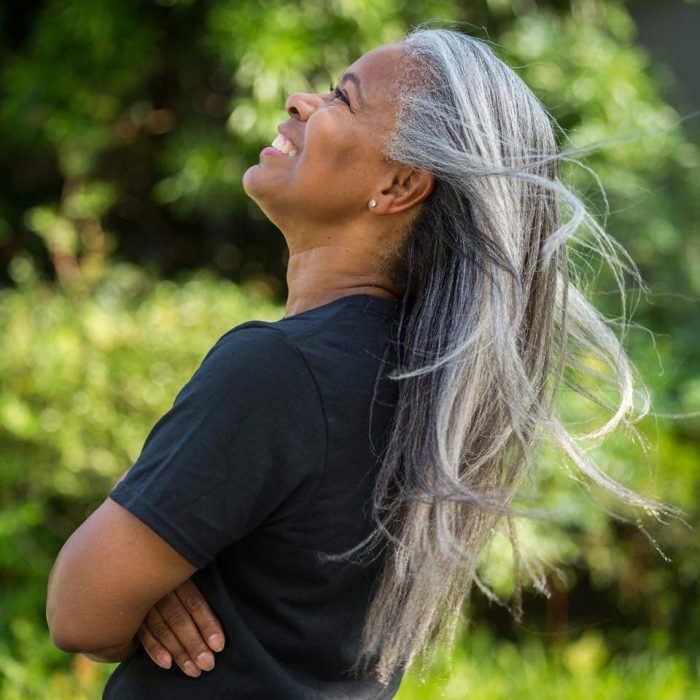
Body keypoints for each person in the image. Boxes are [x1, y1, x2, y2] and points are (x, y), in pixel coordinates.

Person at [45, 25, 681, 699]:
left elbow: (79, 611)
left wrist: (145, 591)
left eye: (341, 100)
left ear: (400, 185)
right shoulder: (426, 394)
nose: (298, 103)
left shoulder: (279, 371)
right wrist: (151, 581)